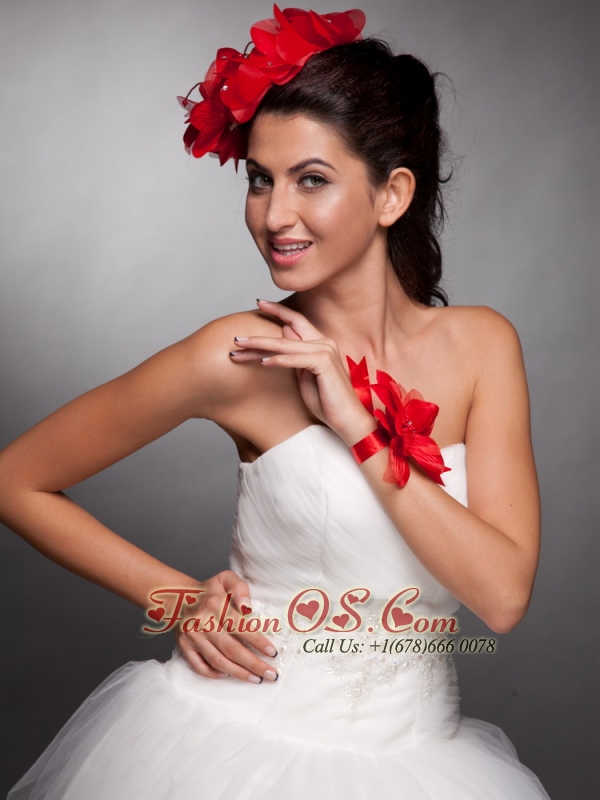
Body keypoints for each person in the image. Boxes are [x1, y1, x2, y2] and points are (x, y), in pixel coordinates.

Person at [3, 5, 551, 798]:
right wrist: (180, 601)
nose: (274, 214)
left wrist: (356, 424)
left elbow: (501, 597)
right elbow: (15, 478)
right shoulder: (236, 356)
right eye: (260, 179)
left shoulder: (482, 347)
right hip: (236, 748)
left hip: (427, 763)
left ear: (393, 194)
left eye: (311, 180)